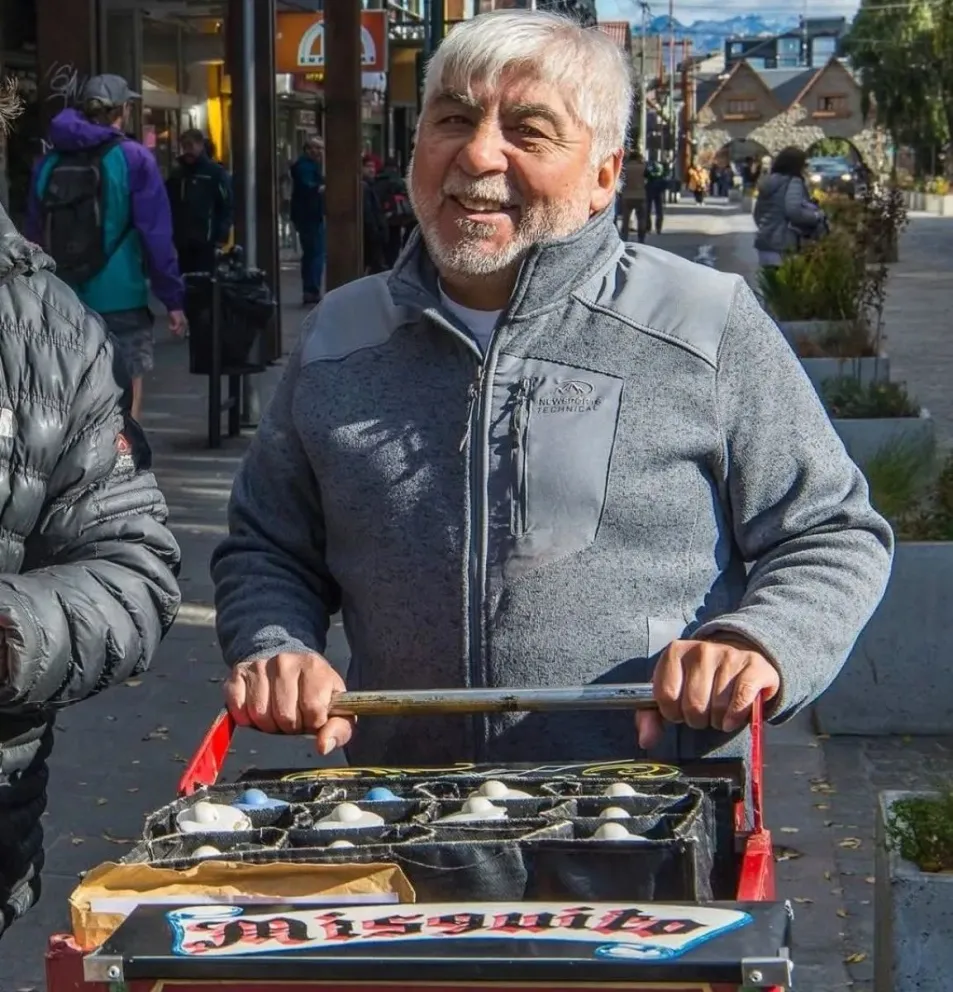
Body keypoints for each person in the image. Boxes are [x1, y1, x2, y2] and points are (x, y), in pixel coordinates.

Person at [211, 9, 892, 772]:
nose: (476, 153)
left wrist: (757, 641)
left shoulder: (702, 322)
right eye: (453, 119)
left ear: (604, 174)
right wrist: (277, 647)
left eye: (528, 131)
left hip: (647, 821)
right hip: (406, 821)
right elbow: (268, 547)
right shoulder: (342, 333)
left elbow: (829, 531)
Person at [0, 86, 181, 938]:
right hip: (112, 293)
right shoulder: (132, 160)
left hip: (74, 314)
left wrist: (9, 634)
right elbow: (152, 226)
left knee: (106, 402)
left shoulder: (34, 321)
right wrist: (168, 286)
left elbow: (128, 560)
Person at [27, 75, 185, 422]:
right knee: (126, 384)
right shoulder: (134, 159)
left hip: (62, 297)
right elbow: (156, 236)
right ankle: (122, 466)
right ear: (122, 111)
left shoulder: (48, 164)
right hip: (121, 295)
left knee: (70, 386)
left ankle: (76, 466)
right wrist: (173, 300)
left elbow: (32, 236)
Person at [166, 128, 233, 276]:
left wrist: (221, 236)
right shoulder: (178, 173)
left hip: (206, 241)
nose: (187, 150)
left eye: (190, 146)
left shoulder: (215, 173)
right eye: (184, 146)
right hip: (182, 241)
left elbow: (226, 206)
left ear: (200, 145)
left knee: (204, 284)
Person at [753, 146, 827, 271]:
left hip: (765, 246)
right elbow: (794, 212)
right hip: (785, 245)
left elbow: (757, 215)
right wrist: (816, 215)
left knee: (771, 288)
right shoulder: (793, 182)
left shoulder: (768, 182)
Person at [290, 136, 326, 306]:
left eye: (320, 149)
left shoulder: (310, 166)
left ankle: (311, 289)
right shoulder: (304, 167)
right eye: (315, 148)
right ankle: (312, 289)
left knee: (313, 253)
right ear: (307, 149)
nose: (318, 152)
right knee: (315, 252)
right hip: (309, 215)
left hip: (310, 214)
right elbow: (309, 187)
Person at [373, 157, 416, 267]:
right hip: (396, 218)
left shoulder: (377, 181)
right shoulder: (398, 181)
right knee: (394, 245)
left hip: (381, 218)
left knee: (384, 247)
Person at [361, 154, 389, 274]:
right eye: (368, 166)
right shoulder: (364, 187)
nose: (372, 169)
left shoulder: (372, 185)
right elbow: (369, 213)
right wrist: (375, 232)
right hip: (371, 235)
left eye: (373, 166)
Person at [619, 148, 647, 243]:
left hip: (627, 196)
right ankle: (641, 238)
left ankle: (624, 237)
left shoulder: (625, 167)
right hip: (640, 195)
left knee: (626, 219)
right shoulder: (643, 167)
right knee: (641, 218)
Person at [645, 157, 667, 234]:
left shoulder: (648, 167)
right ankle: (658, 228)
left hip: (650, 188)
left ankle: (648, 227)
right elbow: (665, 175)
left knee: (647, 209)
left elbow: (645, 175)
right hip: (659, 189)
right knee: (659, 210)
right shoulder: (661, 167)